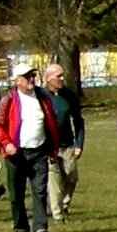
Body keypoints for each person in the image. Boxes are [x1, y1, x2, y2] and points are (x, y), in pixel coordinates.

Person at [0, 59, 68, 232]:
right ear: (17, 81)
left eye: (32, 75)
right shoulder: (9, 100)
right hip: (16, 153)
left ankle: (40, 227)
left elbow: (51, 122)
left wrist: (52, 147)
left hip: (39, 151)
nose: (31, 79)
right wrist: (6, 143)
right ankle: (20, 227)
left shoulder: (43, 97)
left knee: (40, 191)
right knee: (17, 193)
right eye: (27, 77)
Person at [38, 62, 86, 218]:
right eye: (58, 76)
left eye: (62, 75)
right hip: (49, 146)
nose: (62, 79)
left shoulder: (69, 96)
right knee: (54, 180)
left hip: (67, 145)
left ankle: (64, 204)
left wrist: (79, 144)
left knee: (71, 176)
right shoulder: (40, 96)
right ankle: (57, 213)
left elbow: (78, 121)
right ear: (48, 78)